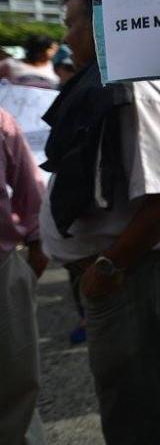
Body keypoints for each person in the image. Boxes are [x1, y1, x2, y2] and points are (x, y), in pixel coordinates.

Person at [39, 0, 160, 444]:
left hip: (130, 271)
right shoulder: (112, 80)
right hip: (124, 267)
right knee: (131, 397)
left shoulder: (133, 87)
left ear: (101, 22)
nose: (65, 38)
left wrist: (109, 266)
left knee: (139, 407)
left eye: (72, 24)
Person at [0, 106, 48, 445]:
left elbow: (30, 193)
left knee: (15, 392)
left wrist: (36, 244)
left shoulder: (1, 121)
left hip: (3, 267)